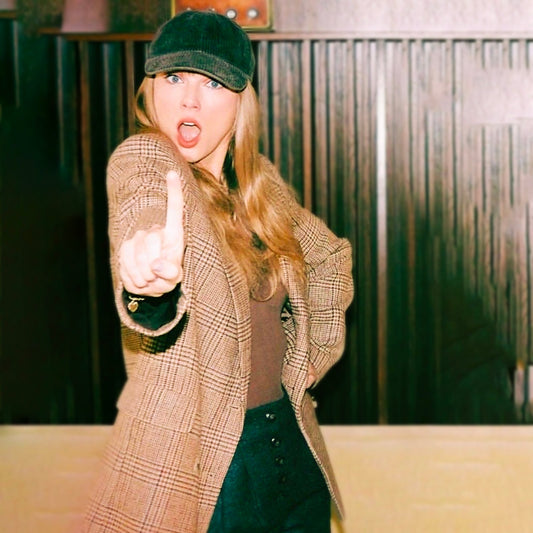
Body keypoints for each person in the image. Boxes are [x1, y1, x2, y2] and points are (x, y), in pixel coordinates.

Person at [81, 9, 353, 533]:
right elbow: (143, 211)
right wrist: (149, 283)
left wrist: (305, 360)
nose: (189, 99)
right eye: (174, 77)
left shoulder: (259, 186)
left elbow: (329, 257)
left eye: (211, 82)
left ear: (240, 102)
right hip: (203, 467)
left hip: (290, 446)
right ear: (150, 89)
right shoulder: (146, 159)